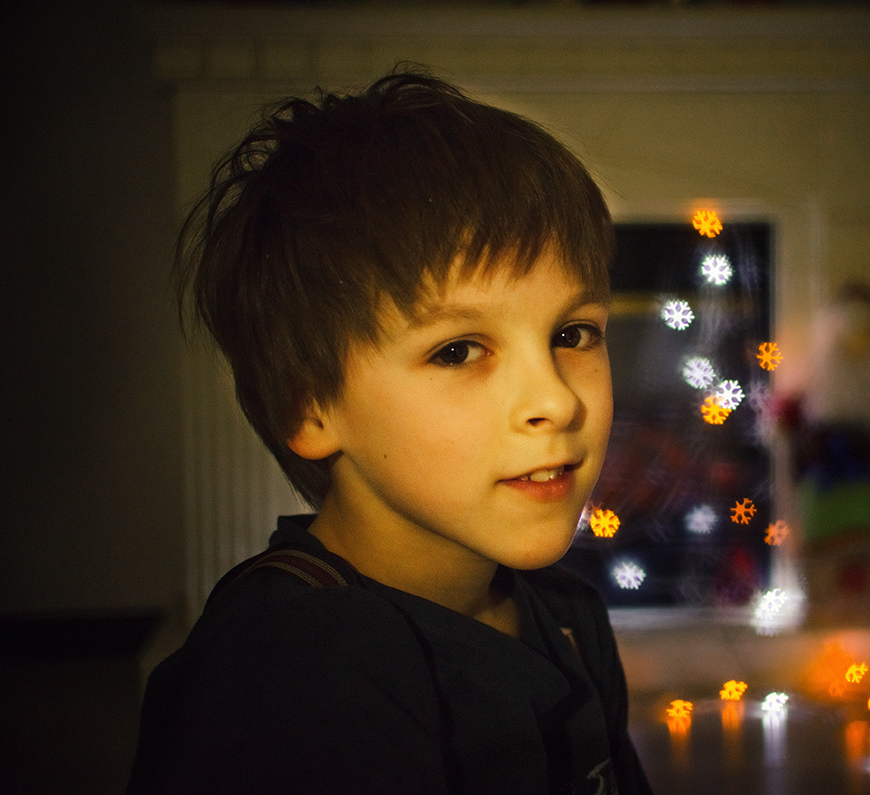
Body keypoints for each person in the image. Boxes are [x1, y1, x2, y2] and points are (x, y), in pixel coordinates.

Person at [128, 67, 652, 794]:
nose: (556, 401)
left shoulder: (566, 613)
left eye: (572, 334)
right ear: (310, 408)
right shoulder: (293, 671)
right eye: (458, 351)